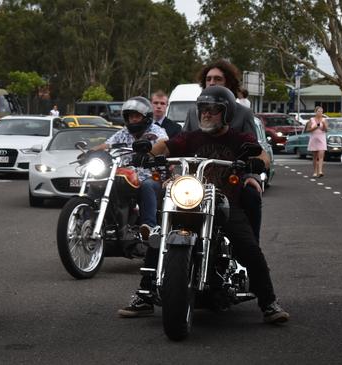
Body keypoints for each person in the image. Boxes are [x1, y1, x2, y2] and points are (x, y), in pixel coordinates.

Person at [118, 86, 289, 324]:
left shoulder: (239, 139)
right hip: (190, 200)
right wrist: (147, 153)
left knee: (249, 249)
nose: (206, 114)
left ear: (226, 114)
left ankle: (268, 302)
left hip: (225, 204)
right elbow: (166, 146)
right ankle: (145, 295)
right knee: (160, 238)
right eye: (203, 110)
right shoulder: (191, 137)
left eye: (213, 110)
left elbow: (261, 155)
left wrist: (259, 163)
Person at [182, 60, 262, 243]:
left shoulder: (244, 113)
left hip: (233, 178)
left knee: (251, 195)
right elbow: (183, 144)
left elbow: (254, 149)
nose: (212, 82)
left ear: (229, 84)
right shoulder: (193, 112)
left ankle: (252, 247)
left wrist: (252, 175)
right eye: (208, 79)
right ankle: (157, 256)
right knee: (167, 195)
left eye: (218, 79)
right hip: (198, 179)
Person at [92, 96, 168, 252]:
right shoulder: (123, 133)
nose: (133, 120)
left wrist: (148, 155)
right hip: (124, 175)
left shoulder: (155, 130)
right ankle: (93, 218)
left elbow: (164, 142)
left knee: (147, 185)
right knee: (100, 182)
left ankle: (150, 228)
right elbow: (107, 144)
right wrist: (90, 153)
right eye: (130, 116)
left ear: (146, 117)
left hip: (150, 175)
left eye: (136, 116)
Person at [307, 106, 328, 177]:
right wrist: (316, 127)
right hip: (314, 139)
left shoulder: (324, 120)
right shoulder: (311, 119)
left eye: (321, 111)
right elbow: (308, 130)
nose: (320, 113)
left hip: (321, 139)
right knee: (315, 157)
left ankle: (320, 171)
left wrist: (324, 125)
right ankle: (315, 171)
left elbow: (326, 130)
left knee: (321, 155)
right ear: (315, 112)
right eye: (318, 111)